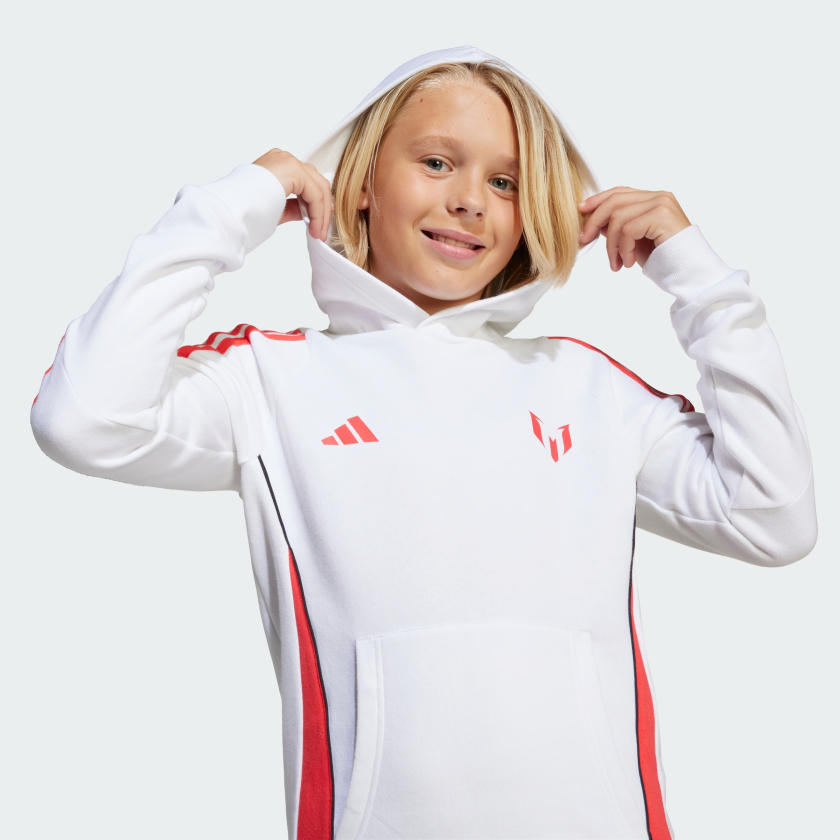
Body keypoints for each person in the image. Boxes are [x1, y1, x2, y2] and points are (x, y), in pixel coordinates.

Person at [30, 45, 817, 840]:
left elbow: (773, 518)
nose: (470, 200)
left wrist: (701, 282)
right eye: (438, 162)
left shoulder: (592, 390)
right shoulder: (269, 381)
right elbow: (84, 417)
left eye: (505, 183)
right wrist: (234, 205)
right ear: (362, 183)